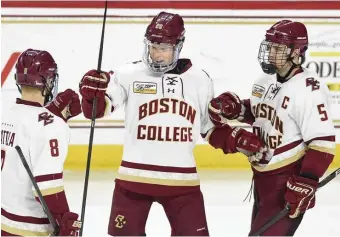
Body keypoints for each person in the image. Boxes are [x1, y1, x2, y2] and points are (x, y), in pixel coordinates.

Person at [79, 11, 266, 236]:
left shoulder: (199, 79)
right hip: (132, 181)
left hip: (182, 184)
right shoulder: (128, 74)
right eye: (153, 47)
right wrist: (91, 96)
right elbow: (97, 111)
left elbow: (209, 129)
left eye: (164, 48)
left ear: (178, 46)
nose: (156, 55)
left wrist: (236, 140)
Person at [208, 20, 336, 236]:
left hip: (286, 183)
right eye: (270, 47)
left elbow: (322, 143)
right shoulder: (265, 80)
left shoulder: (309, 89)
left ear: (296, 52)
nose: (271, 53)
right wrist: (235, 109)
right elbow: (261, 113)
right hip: (262, 179)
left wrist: (305, 182)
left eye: (278, 48)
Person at [1, 49, 82, 236]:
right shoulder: (53, 126)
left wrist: (54, 115)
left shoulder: (6, 114)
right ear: (49, 81)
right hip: (32, 228)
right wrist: (65, 220)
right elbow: (47, 185)